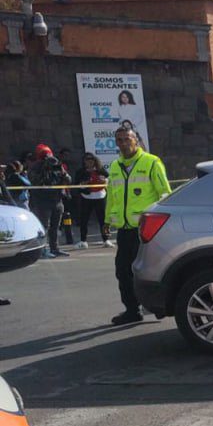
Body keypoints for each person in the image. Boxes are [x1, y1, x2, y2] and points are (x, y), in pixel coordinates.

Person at [106, 126, 171, 325]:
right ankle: (132, 310)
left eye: (127, 139)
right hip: (125, 229)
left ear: (136, 140)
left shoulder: (151, 162)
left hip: (145, 229)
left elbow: (165, 194)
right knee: (123, 271)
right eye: (119, 140)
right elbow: (111, 196)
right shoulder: (115, 166)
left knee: (150, 270)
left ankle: (158, 305)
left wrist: (161, 223)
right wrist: (107, 220)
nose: (124, 144)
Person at [29, 145, 71, 259]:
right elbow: (35, 182)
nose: (47, 158)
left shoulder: (56, 164)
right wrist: (44, 168)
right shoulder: (34, 167)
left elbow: (68, 180)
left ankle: (55, 248)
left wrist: (62, 171)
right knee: (44, 226)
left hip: (57, 199)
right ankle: (42, 250)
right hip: (42, 201)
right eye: (44, 155)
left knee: (55, 226)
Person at [73, 152, 112, 248]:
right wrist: (83, 184)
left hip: (100, 196)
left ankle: (106, 239)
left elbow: (108, 178)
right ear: (84, 162)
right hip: (87, 197)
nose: (89, 162)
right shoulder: (80, 172)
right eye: (87, 160)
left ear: (95, 161)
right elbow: (76, 184)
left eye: (91, 160)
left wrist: (104, 180)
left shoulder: (100, 170)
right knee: (84, 220)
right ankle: (83, 241)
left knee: (103, 220)